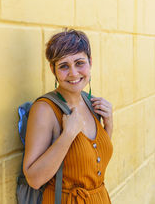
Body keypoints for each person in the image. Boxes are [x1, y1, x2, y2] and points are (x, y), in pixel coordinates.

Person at [23, 29, 113, 203]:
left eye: (79, 63)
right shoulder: (45, 109)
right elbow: (34, 179)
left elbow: (95, 162)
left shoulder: (91, 103)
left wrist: (108, 125)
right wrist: (68, 135)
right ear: (52, 69)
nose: (73, 73)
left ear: (90, 62)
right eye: (64, 66)